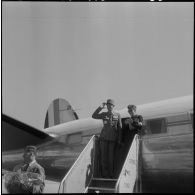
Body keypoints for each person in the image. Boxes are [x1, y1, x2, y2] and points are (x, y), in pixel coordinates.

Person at [92, 99, 122, 178]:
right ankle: (105, 175)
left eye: (111, 105)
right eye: (108, 105)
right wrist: (100, 107)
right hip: (104, 139)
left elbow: (120, 128)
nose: (109, 106)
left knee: (111, 158)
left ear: (113, 106)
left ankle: (111, 174)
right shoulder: (103, 114)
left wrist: (119, 139)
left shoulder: (117, 115)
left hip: (112, 139)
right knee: (103, 158)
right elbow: (94, 116)